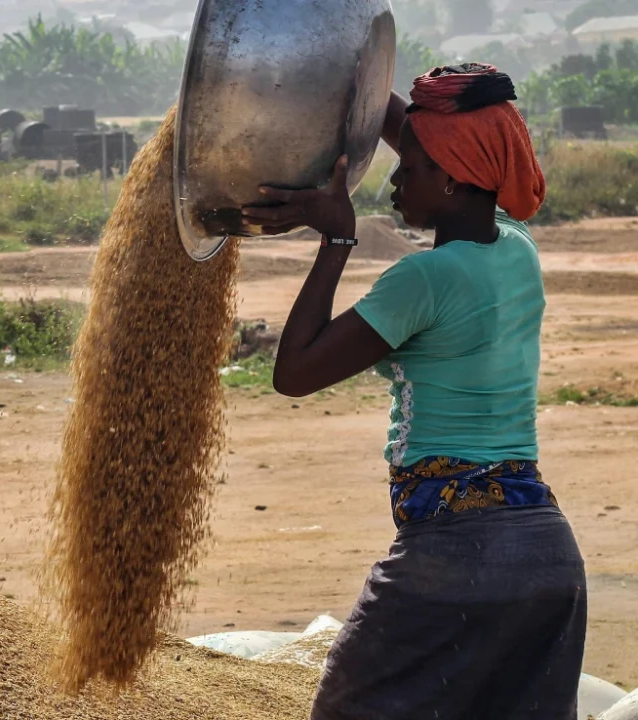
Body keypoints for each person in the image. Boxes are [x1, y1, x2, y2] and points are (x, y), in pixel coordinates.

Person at [240, 64, 586, 719]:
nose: (394, 180)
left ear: (452, 178)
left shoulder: (423, 280)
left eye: (409, 169)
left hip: (457, 555)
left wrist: (337, 237)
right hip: (547, 557)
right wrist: (361, 78)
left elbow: (295, 373)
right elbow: (427, 138)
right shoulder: (516, 250)